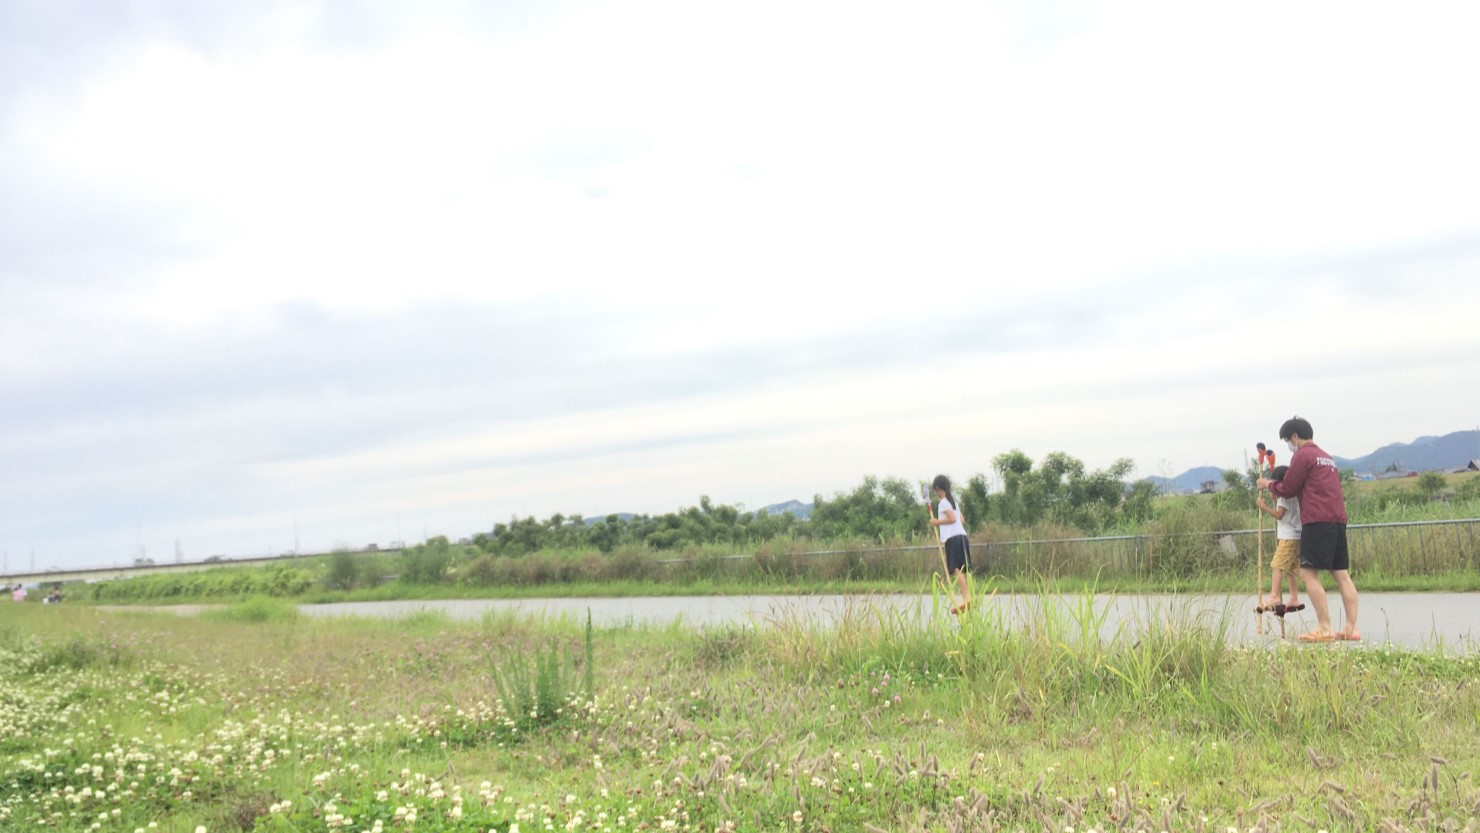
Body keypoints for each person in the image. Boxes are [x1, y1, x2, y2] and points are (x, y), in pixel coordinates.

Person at [1256, 416, 1359, 642]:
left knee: (1307, 572)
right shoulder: (1327, 457)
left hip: (1316, 520)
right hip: (1337, 519)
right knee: (1341, 574)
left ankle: (1324, 628)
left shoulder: (1303, 456)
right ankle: (1351, 628)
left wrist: (1268, 484)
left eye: (1288, 441)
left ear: (1294, 436)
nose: (1289, 447)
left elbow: (1289, 487)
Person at [1255, 465, 1301, 610]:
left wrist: (1264, 507)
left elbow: (1279, 515)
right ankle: (1294, 598)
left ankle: (1274, 596)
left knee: (1277, 565)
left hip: (1288, 537)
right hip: (1297, 535)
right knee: (1290, 569)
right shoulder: (1294, 494)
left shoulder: (1283, 498)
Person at [926, 474, 972, 615]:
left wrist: (936, 522)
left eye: (935, 490)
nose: (935, 493)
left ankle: (966, 598)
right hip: (962, 536)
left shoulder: (944, 502)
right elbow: (961, 519)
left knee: (956, 569)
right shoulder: (953, 502)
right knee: (962, 569)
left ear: (938, 488)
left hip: (954, 539)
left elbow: (952, 519)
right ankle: (967, 597)